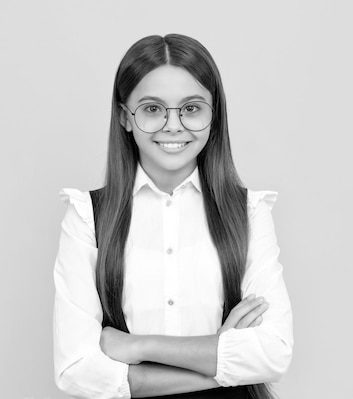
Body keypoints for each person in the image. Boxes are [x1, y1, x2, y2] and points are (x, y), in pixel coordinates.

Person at [53, 34, 293, 399]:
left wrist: (140, 348)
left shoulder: (248, 214)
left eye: (192, 108)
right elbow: (77, 370)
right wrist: (221, 358)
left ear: (214, 117)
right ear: (125, 117)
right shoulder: (87, 217)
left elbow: (273, 353)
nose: (173, 125)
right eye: (152, 109)